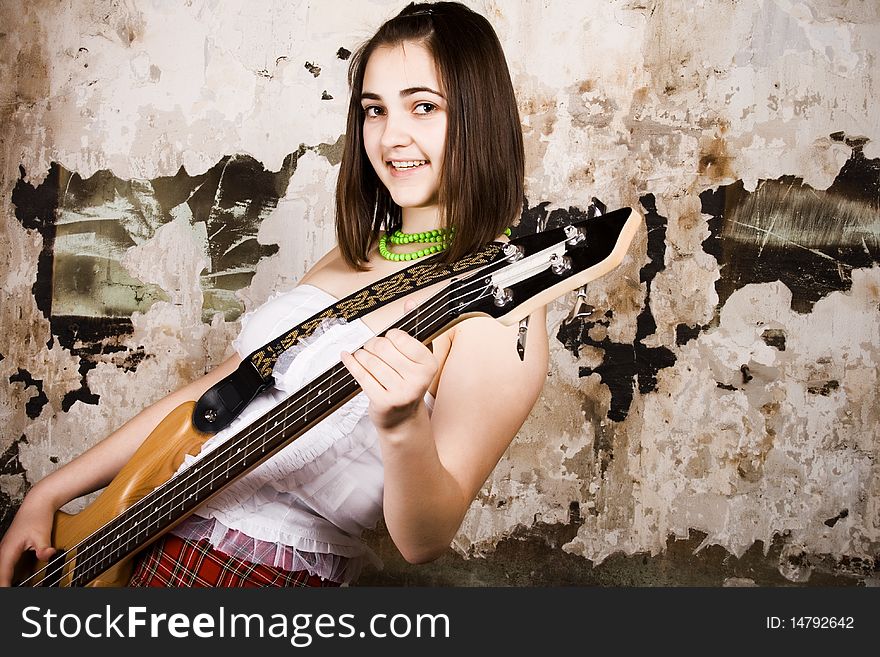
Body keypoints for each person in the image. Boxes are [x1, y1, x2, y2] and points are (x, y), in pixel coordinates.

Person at [0, 1, 548, 587]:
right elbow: (215, 395)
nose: (391, 136)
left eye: (424, 107)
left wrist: (403, 425)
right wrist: (51, 493)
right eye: (374, 110)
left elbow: (426, 540)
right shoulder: (351, 254)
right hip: (146, 540)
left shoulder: (502, 306)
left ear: (479, 116)